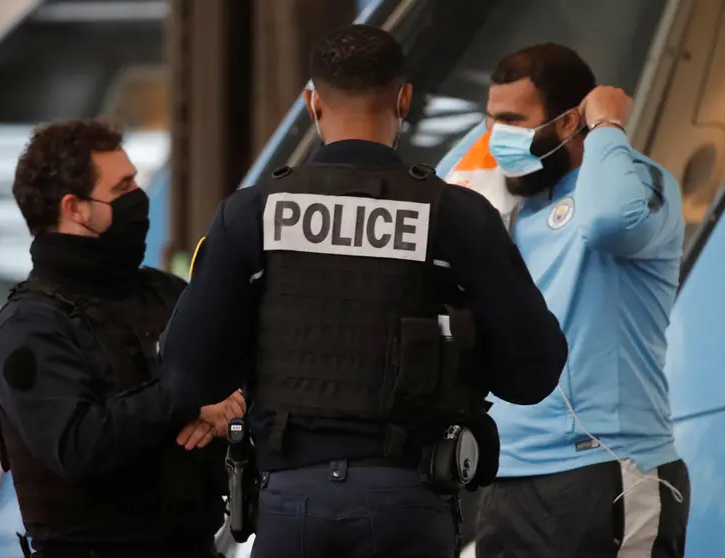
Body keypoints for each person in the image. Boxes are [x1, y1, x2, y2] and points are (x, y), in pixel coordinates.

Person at [157, 24, 568, 558]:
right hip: (408, 499)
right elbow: (533, 372)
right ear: (404, 99)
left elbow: (187, 371)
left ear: (312, 103)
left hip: (289, 503)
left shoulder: (250, 214)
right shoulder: (457, 217)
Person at [456, 43, 691, 557]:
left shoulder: (636, 182)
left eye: (512, 121)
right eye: (490, 120)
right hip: (510, 475)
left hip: (609, 468)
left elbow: (613, 223)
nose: (497, 138)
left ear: (568, 123)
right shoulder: (516, 205)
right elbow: (443, 208)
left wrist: (606, 126)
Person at [0, 119, 245, 558]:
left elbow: (242, 376)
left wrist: (230, 410)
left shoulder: (168, 294)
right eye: (122, 187)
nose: (138, 198)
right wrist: (186, 397)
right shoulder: (30, 327)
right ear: (75, 208)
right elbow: (78, 444)